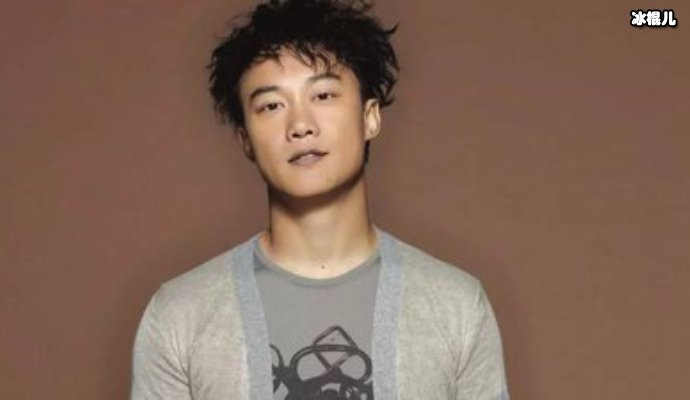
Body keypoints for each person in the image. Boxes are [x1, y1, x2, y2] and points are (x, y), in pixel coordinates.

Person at [131, 0, 509, 399]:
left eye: (323, 95)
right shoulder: (179, 315)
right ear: (246, 140)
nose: (300, 125)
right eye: (271, 106)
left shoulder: (456, 307)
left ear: (370, 117)